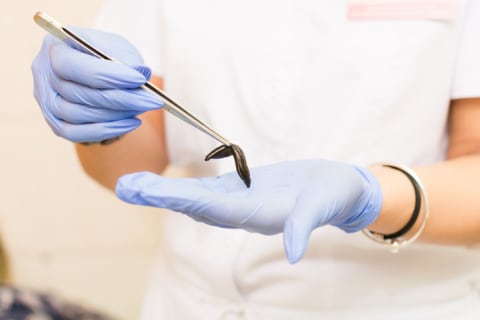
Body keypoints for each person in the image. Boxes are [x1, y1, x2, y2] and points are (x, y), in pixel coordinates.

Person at [32, 0, 480, 319]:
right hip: (191, 302)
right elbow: (129, 163)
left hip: (401, 305)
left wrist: (374, 195)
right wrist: (96, 115)